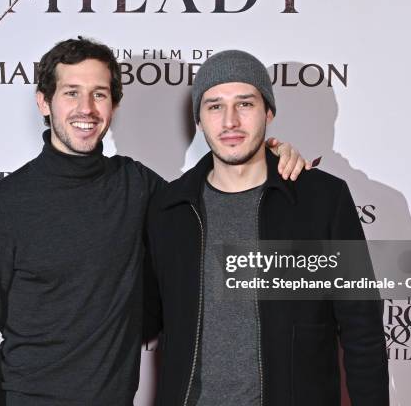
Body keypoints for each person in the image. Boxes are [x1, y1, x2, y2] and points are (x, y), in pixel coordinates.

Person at [0, 38, 309, 406]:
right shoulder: (0, 207)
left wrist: (269, 155)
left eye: (99, 95)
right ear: (44, 101)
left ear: (115, 105)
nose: (86, 109)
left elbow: (218, 186)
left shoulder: (138, 186)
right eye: (71, 93)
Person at [144, 50, 389, 406]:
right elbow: (143, 319)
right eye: (214, 106)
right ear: (199, 119)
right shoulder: (169, 208)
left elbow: (362, 328)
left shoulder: (322, 198)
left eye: (244, 104)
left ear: (268, 112)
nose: (230, 121)